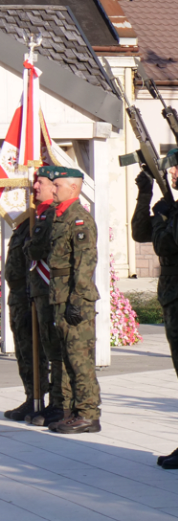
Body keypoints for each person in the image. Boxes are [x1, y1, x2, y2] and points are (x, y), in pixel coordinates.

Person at [130, 157, 178, 469]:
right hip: (175, 298)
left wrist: (168, 213)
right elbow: (140, 232)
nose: (173, 173)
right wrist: (144, 195)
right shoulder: (176, 205)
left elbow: (172, 241)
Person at [27, 166, 102, 434]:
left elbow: (84, 263)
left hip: (73, 296)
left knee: (80, 359)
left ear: (73, 187)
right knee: (67, 357)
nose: (53, 189)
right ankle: (70, 409)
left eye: (57, 185)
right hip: (59, 294)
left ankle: (89, 414)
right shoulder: (60, 217)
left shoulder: (79, 219)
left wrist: (77, 299)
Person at [25, 170, 65, 428]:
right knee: (48, 348)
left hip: (53, 290)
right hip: (41, 290)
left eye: (41, 182)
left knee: (57, 351)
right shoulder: (39, 214)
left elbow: (37, 249)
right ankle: (47, 401)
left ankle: (60, 404)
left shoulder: (53, 215)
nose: (35, 186)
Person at [4, 193, 48, 422]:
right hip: (18, 298)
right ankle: (31, 396)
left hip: (33, 296)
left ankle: (44, 400)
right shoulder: (22, 225)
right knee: (24, 350)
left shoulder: (39, 223)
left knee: (38, 350)